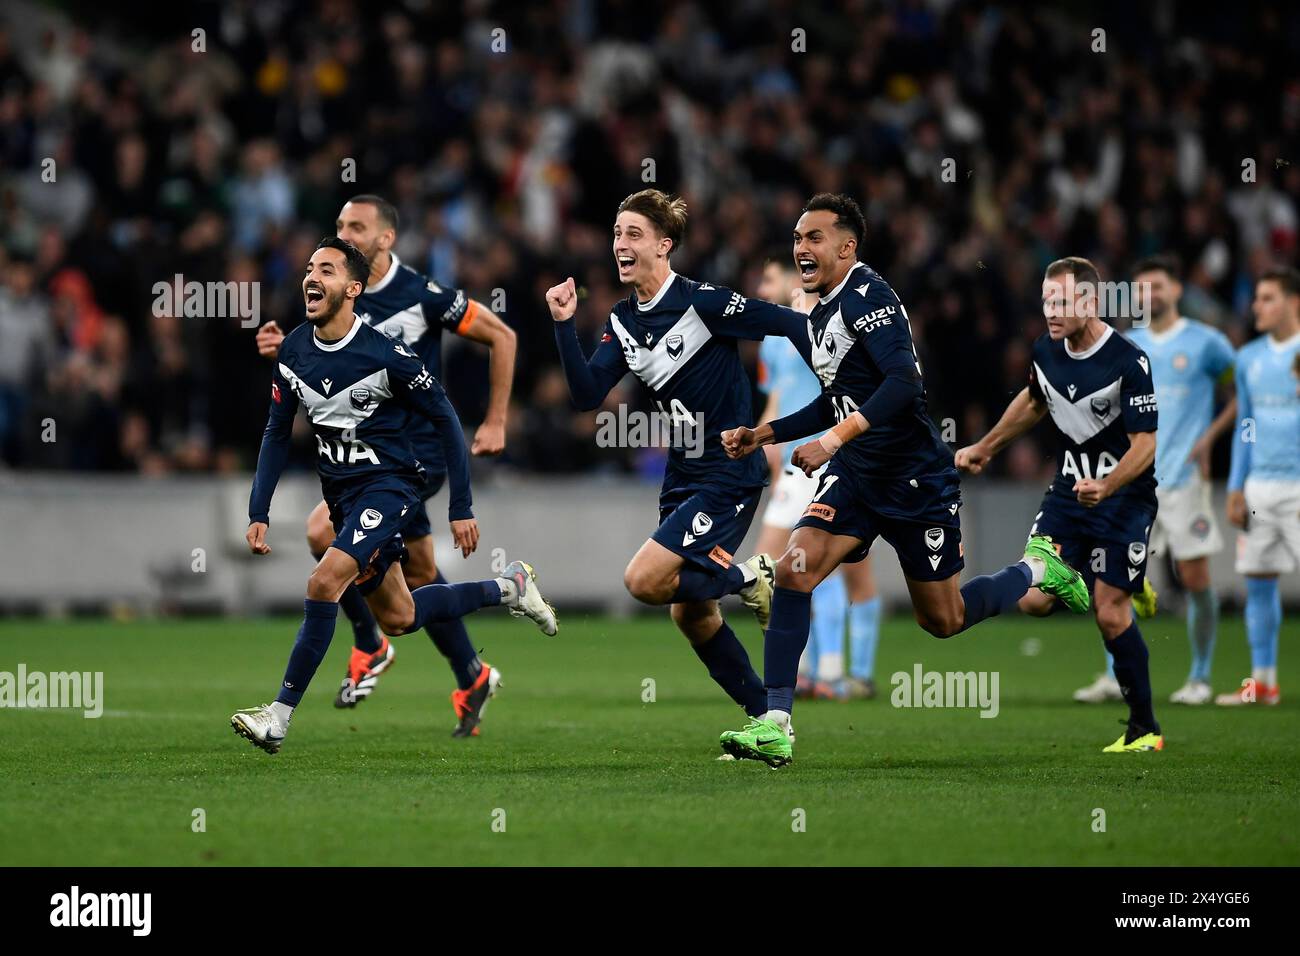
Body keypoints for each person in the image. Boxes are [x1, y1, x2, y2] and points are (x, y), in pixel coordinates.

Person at [230, 237, 555, 754]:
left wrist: (461, 506)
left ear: (353, 289)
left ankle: (279, 716)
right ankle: (509, 588)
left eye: (328, 270)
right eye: (310, 268)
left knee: (323, 581)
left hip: (390, 489)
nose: (312, 278)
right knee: (402, 616)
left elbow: (445, 417)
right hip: (343, 497)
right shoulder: (293, 350)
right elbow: (274, 432)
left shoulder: (385, 355)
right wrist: (258, 510)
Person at [958, 256, 1164, 753]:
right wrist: (986, 446)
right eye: (1047, 300)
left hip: (1124, 499)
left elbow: (1146, 446)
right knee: (1033, 600)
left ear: (1091, 302)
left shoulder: (1128, 361)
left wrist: (1109, 483)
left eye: (1063, 301)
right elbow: (1033, 402)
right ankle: (1111, 579)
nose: (1051, 311)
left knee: (1108, 612)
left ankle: (1144, 729)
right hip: (1068, 495)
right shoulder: (1045, 351)